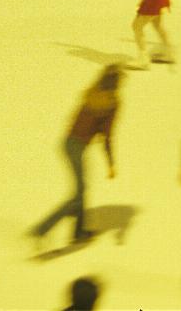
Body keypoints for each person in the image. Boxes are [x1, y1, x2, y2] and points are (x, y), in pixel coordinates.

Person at [30, 65, 121, 244]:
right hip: (78, 146)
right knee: (77, 196)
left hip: (67, 142)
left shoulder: (90, 93)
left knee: (81, 189)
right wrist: (110, 163)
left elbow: (76, 121)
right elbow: (107, 135)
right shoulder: (112, 103)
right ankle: (41, 229)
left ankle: (79, 232)